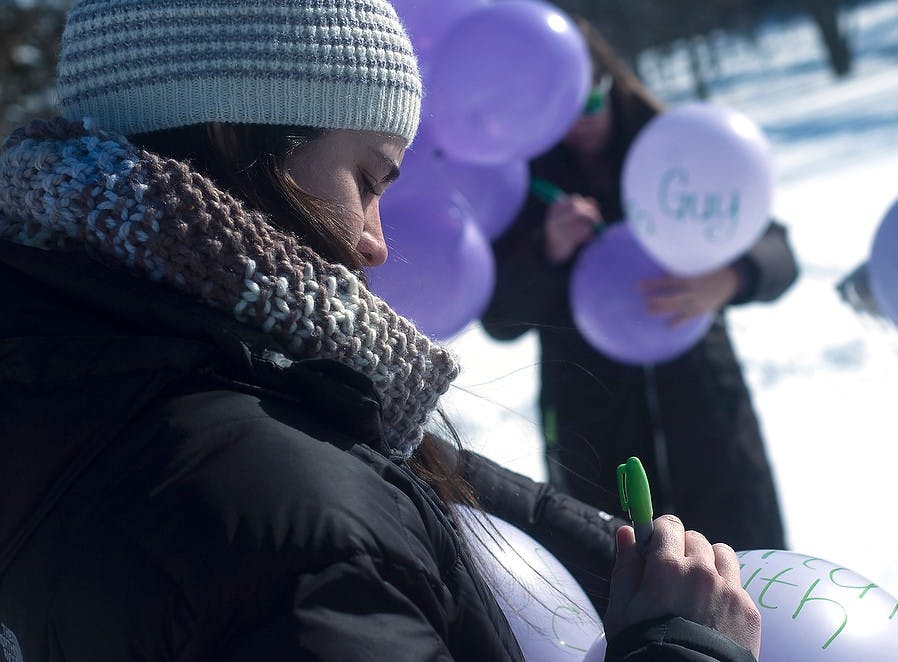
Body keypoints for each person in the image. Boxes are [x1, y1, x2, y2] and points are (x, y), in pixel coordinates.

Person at [0, 1, 761, 661]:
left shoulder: (78, 358)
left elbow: (387, 470)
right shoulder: (282, 508)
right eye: (367, 180)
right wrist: (684, 647)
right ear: (236, 130)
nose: (376, 242)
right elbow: (320, 517)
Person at [481, 18, 799, 552]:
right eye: (560, 112)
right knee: (614, 573)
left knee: (741, 559)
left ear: (613, 84)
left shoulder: (676, 155)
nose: (577, 125)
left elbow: (777, 249)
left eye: (589, 103)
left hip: (705, 403)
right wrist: (547, 252)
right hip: (590, 420)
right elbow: (499, 318)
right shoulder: (521, 186)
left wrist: (730, 277)